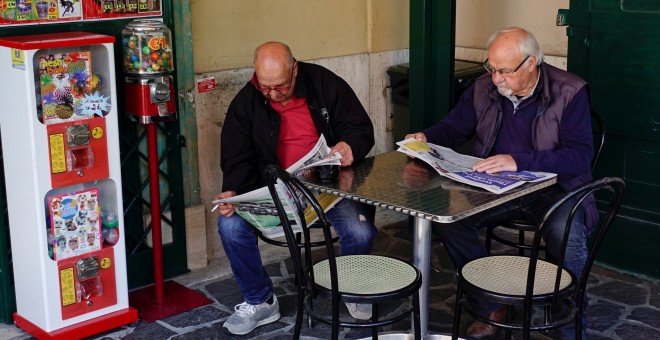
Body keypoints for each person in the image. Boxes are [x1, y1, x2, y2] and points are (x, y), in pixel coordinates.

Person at [406, 27, 595, 339]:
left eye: (505, 71)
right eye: (491, 69)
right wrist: (427, 137)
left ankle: (569, 323)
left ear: (532, 63)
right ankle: (492, 303)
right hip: (498, 186)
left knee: (567, 234)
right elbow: (454, 128)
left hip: (555, 188)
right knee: (447, 219)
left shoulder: (569, 90)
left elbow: (579, 157)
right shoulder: (483, 88)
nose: (496, 79)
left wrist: (519, 160)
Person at [215, 41, 378, 335]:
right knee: (229, 227)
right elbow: (236, 156)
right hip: (273, 188)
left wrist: (351, 147)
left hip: (328, 186)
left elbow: (360, 127)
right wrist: (233, 191)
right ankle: (260, 300)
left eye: (280, 86)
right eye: (265, 87)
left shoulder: (324, 84)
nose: (273, 94)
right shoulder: (246, 101)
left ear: (295, 70)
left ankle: (352, 287)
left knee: (361, 230)